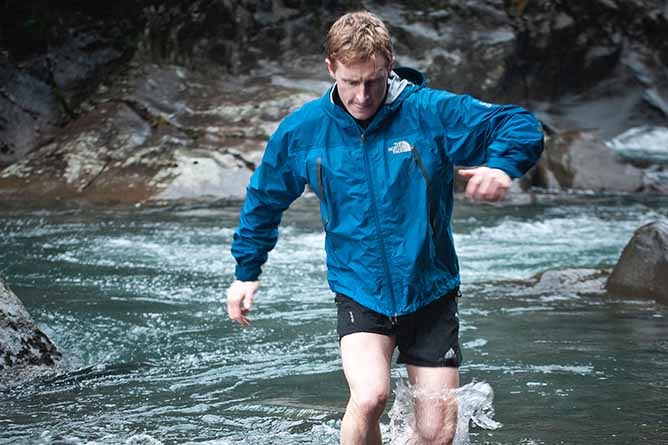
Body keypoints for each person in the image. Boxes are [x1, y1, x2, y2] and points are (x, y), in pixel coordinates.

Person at [227, 10, 543, 445]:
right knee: (371, 395)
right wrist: (247, 271)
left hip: (430, 290)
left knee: (436, 435)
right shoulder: (304, 131)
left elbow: (518, 122)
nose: (361, 96)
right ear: (330, 68)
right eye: (351, 82)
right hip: (360, 286)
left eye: (373, 81)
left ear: (389, 64)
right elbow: (263, 199)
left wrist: (502, 167)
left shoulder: (429, 112)